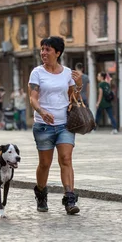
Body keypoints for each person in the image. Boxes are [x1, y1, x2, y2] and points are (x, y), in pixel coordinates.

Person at [29, 36, 82, 215]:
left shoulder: (67, 73)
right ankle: (41, 192)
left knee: (66, 159)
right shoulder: (37, 72)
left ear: (57, 53)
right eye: (42, 49)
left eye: (47, 50)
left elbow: (72, 95)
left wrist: (79, 84)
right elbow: (32, 97)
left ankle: (70, 198)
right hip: (43, 125)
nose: (43, 53)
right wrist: (42, 111)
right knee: (45, 163)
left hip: (65, 124)